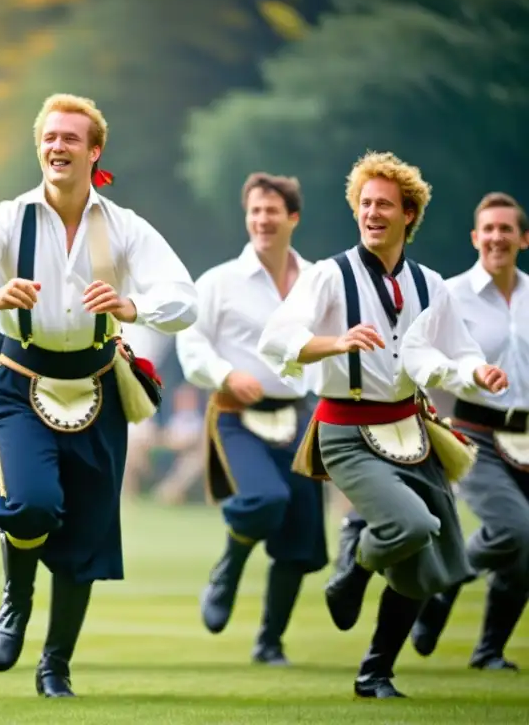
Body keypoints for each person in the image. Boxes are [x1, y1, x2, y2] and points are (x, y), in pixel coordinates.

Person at [0, 93, 198, 697]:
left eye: (71, 139)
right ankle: (15, 599)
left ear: (94, 151)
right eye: (49, 137)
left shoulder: (125, 226)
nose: (58, 147)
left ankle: (56, 665)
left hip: (100, 387)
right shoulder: (6, 218)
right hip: (19, 384)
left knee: (87, 537)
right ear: (39, 148)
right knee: (35, 504)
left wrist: (135, 306)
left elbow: (184, 298)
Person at [257, 150, 508, 699]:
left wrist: (478, 372)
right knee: (413, 527)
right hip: (345, 430)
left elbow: (457, 353)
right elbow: (276, 337)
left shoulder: (431, 284)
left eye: (384, 205)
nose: (372, 213)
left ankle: (375, 673)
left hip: (414, 432)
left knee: (435, 568)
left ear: (408, 215)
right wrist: (334, 342)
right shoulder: (327, 275)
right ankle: (354, 565)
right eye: (365, 203)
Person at [175, 172, 326, 665]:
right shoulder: (219, 282)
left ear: (293, 218)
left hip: (300, 416)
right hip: (236, 415)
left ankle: (269, 642)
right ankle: (228, 569)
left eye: (272, 211)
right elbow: (190, 344)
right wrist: (225, 373)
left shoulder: (319, 281)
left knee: (302, 542)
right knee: (265, 499)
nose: (262, 220)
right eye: (255, 211)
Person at [409, 192, 529, 671]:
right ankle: (441, 582)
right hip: (475, 431)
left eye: (506, 229)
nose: (497, 237)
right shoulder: (450, 294)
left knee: (525, 551)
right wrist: (464, 373)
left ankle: (489, 651)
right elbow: (420, 354)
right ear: (475, 237)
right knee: (515, 529)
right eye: (489, 229)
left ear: (523, 238)